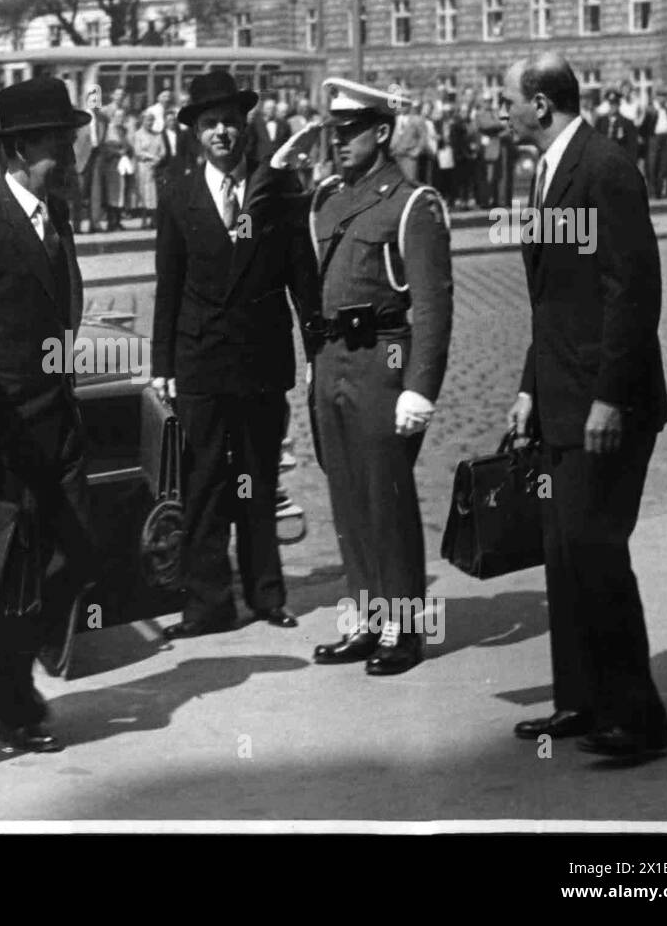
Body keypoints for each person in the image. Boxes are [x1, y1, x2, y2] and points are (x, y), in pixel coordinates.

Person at [502, 52, 667, 758]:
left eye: (507, 99)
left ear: (540, 105)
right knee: (566, 554)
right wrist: (528, 389)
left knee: (597, 549)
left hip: (610, 405)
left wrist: (607, 399)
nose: (501, 110)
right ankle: (580, 701)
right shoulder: (543, 174)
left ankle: (638, 718)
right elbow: (553, 305)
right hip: (562, 398)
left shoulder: (604, 167)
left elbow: (633, 292)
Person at [0, 77, 98, 752]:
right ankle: (12, 705)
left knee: (78, 548)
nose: (70, 150)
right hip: (6, 428)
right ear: (22, 148)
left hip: (57, 416)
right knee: (12, 574)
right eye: (59, 141)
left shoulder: (55, 216)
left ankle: (2, 660)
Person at [151, 70, 318, 640]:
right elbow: (167, 284)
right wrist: (162, 366)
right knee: (203, 487)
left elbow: (302, 276)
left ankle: (267, 594)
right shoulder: (177, 193)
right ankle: (206, 606)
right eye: (209, 124)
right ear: (195, 133)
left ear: (244, 127)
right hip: (200, 364)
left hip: (259, 362)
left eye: (229, 122)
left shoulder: (278, 189)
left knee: (258, 480)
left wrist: (316, 347)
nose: (221, 132)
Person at [304, 77, 453, 676]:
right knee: (345, 497)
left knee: (386, 498)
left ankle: (406, 628)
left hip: (382, 360)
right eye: (332, 133)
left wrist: (420, 387)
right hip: (332, 359)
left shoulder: (414, 204)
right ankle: (367, 621)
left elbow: (434, 304)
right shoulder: (326, 200)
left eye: (349, 132)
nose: (337, 143)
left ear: (382, 132)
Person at [72, 88, 109, 232]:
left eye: (97, 100)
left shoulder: (102, 118)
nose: (95, 103)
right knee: (79, 192)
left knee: (96, 190)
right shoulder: (79, 118)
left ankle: (95, 223)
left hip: (97, 154)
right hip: (81, 157)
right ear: (86, 101)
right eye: (92, 100)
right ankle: (77, 225)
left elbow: (103, 138)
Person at [99, 87, 132, 230]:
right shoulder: (111, 128)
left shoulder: (123, 130)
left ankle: (117, 220)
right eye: (118, 116)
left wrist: (126, 149)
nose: (120, 119)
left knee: (121, 192)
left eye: (122, 117)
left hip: (122, 164)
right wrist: (119, 152)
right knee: (113, 192)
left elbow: (128, 144)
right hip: (112, 164)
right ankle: (112, 221)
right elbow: (107, 145)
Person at [131, 108, 164, 226]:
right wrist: (151, 157)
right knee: (143, 192)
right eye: (147, 120)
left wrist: (157, 160)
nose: (149, 123)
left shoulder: (157, 135)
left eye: (151, 120)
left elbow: (163, 151)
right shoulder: (137, 135)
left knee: (154, 193)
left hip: (155, 167)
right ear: (142, 121)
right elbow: (138, 151)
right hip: (143, 167)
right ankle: (144, 219)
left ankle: (154, 219)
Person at [594, 88, 639, 166]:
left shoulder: (626, 123)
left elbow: (632, 146)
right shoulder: (601, 121)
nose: (613, 107)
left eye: (615, 104)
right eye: (611, 104)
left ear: (619, 105)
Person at [644, 88, 667, 198]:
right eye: (661, 96)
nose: (663, 99)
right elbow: (645, 126)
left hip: (664, 138)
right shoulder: (650, 110)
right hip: (653, 138)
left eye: (664, 96)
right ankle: (652, 191)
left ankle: (660, 191)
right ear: (657, 97)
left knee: (663, 165)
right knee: (652, 165)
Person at [248, 95, 290, 164]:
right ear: (263, 109)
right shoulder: (255, 124)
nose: (271, 111)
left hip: (278, 160)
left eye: (273, 108)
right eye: (268, 108)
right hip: (261, 161)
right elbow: (251, 143)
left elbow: (287, 142)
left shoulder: (284, 124)